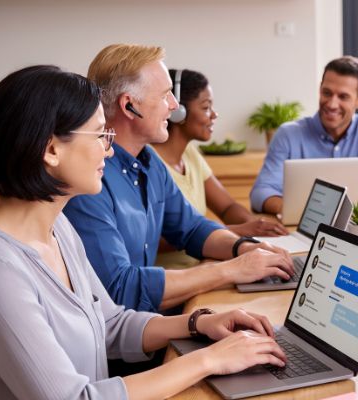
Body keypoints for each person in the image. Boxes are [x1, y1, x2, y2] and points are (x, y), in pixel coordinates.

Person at [0, 65, 286, 399]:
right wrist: (210, 360)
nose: (109, 148)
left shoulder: (57, 227)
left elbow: (110, 324)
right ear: (51, 149)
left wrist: (198, 323)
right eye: (100, 135)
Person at [64, 44, 294, 313]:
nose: (174, 106)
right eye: (165, 96)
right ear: (129, 105)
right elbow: (120, 290)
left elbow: (193, 228)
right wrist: (230, 270)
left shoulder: (150, 164)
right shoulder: (91, 180)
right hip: (124, 341)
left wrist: (245, 248)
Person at [150, 69, 287, 268]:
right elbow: (153, 238)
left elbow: (227, 206)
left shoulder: (190, 154)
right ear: (178, 111)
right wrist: (237, 231)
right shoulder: (149, 161)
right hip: (175, 277)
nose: (214, 114)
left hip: (205, 264)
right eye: (206, 107)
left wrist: (256, 228)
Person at [250, 56, 358, 214]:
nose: (332, 104)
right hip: (303, 229)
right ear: (320, 89)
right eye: (327, 93)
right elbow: (261, 192)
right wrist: (292, 210)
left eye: (343, 97)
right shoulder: (288, 135)